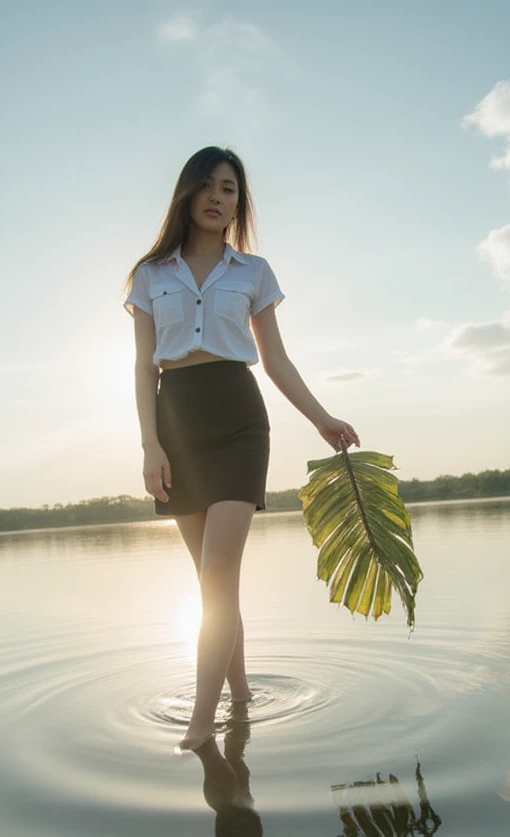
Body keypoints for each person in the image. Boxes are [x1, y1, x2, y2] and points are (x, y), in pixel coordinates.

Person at [123, 146, 360, 752]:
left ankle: (204, 728)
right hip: (177, 423)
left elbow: (275, 360)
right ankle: (243, 696)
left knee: (220, 570)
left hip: (238, 420)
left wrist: (322, 418)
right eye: (205, 186)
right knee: (211, 584)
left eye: (228, 188)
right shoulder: (150, 275)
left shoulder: (253, 272)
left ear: (238, 202)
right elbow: (141, 367)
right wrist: (151, 446)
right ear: (185, 195)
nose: (216, 197)